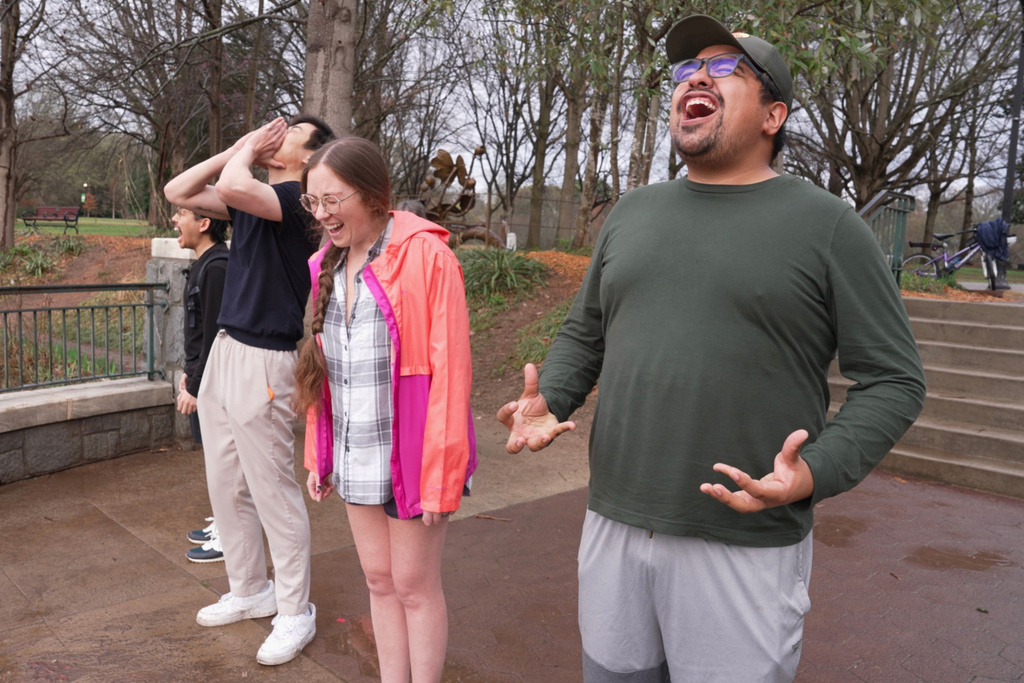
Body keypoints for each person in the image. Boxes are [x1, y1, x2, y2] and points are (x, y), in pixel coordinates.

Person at [498, 14, 926, 682]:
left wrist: (814, 472)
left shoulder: (828, 226)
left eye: (726, 68)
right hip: (615, 519)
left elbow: (895, 380)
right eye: (686, 70)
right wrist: (551, 397)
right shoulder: (632, 213)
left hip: (743, 535)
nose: (696, 78)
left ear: (773, 115)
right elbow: (587, 332)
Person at [293, 137, 476, 683]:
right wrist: (319, 454)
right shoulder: (324, 265)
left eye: (332, 200)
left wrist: (442, 474)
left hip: (415, 456)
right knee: (378, 581)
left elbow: (451, 376)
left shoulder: (428, 257)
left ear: (373, 194)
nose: (321, 214)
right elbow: (324, 372)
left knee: (415, 587)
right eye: (312, 202)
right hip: (357, 451)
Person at [163, 114, 335, 666]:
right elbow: (178, 191)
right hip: (227, 348)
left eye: (290, 135)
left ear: (308, 160)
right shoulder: (251, 198)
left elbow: (237, 185)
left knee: (272, 491)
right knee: (227, 483)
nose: (276, 137)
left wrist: (246, 151)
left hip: (266, 357)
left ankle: (294, 610)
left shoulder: (297, 203)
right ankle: (249, 589)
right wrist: (239, 146)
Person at [171, 206, 230, 564]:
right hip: (203, 376)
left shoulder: (218, 267)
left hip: (216, 384)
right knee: (215, 459)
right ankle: (225, 523)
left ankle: (230, 537)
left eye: (181, 213)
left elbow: (215, 335)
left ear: (204, 223)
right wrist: (188, 371)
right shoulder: (204, 265)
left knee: (226, 464)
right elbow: (198, 329)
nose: (174, 220)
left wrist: (195, 385)